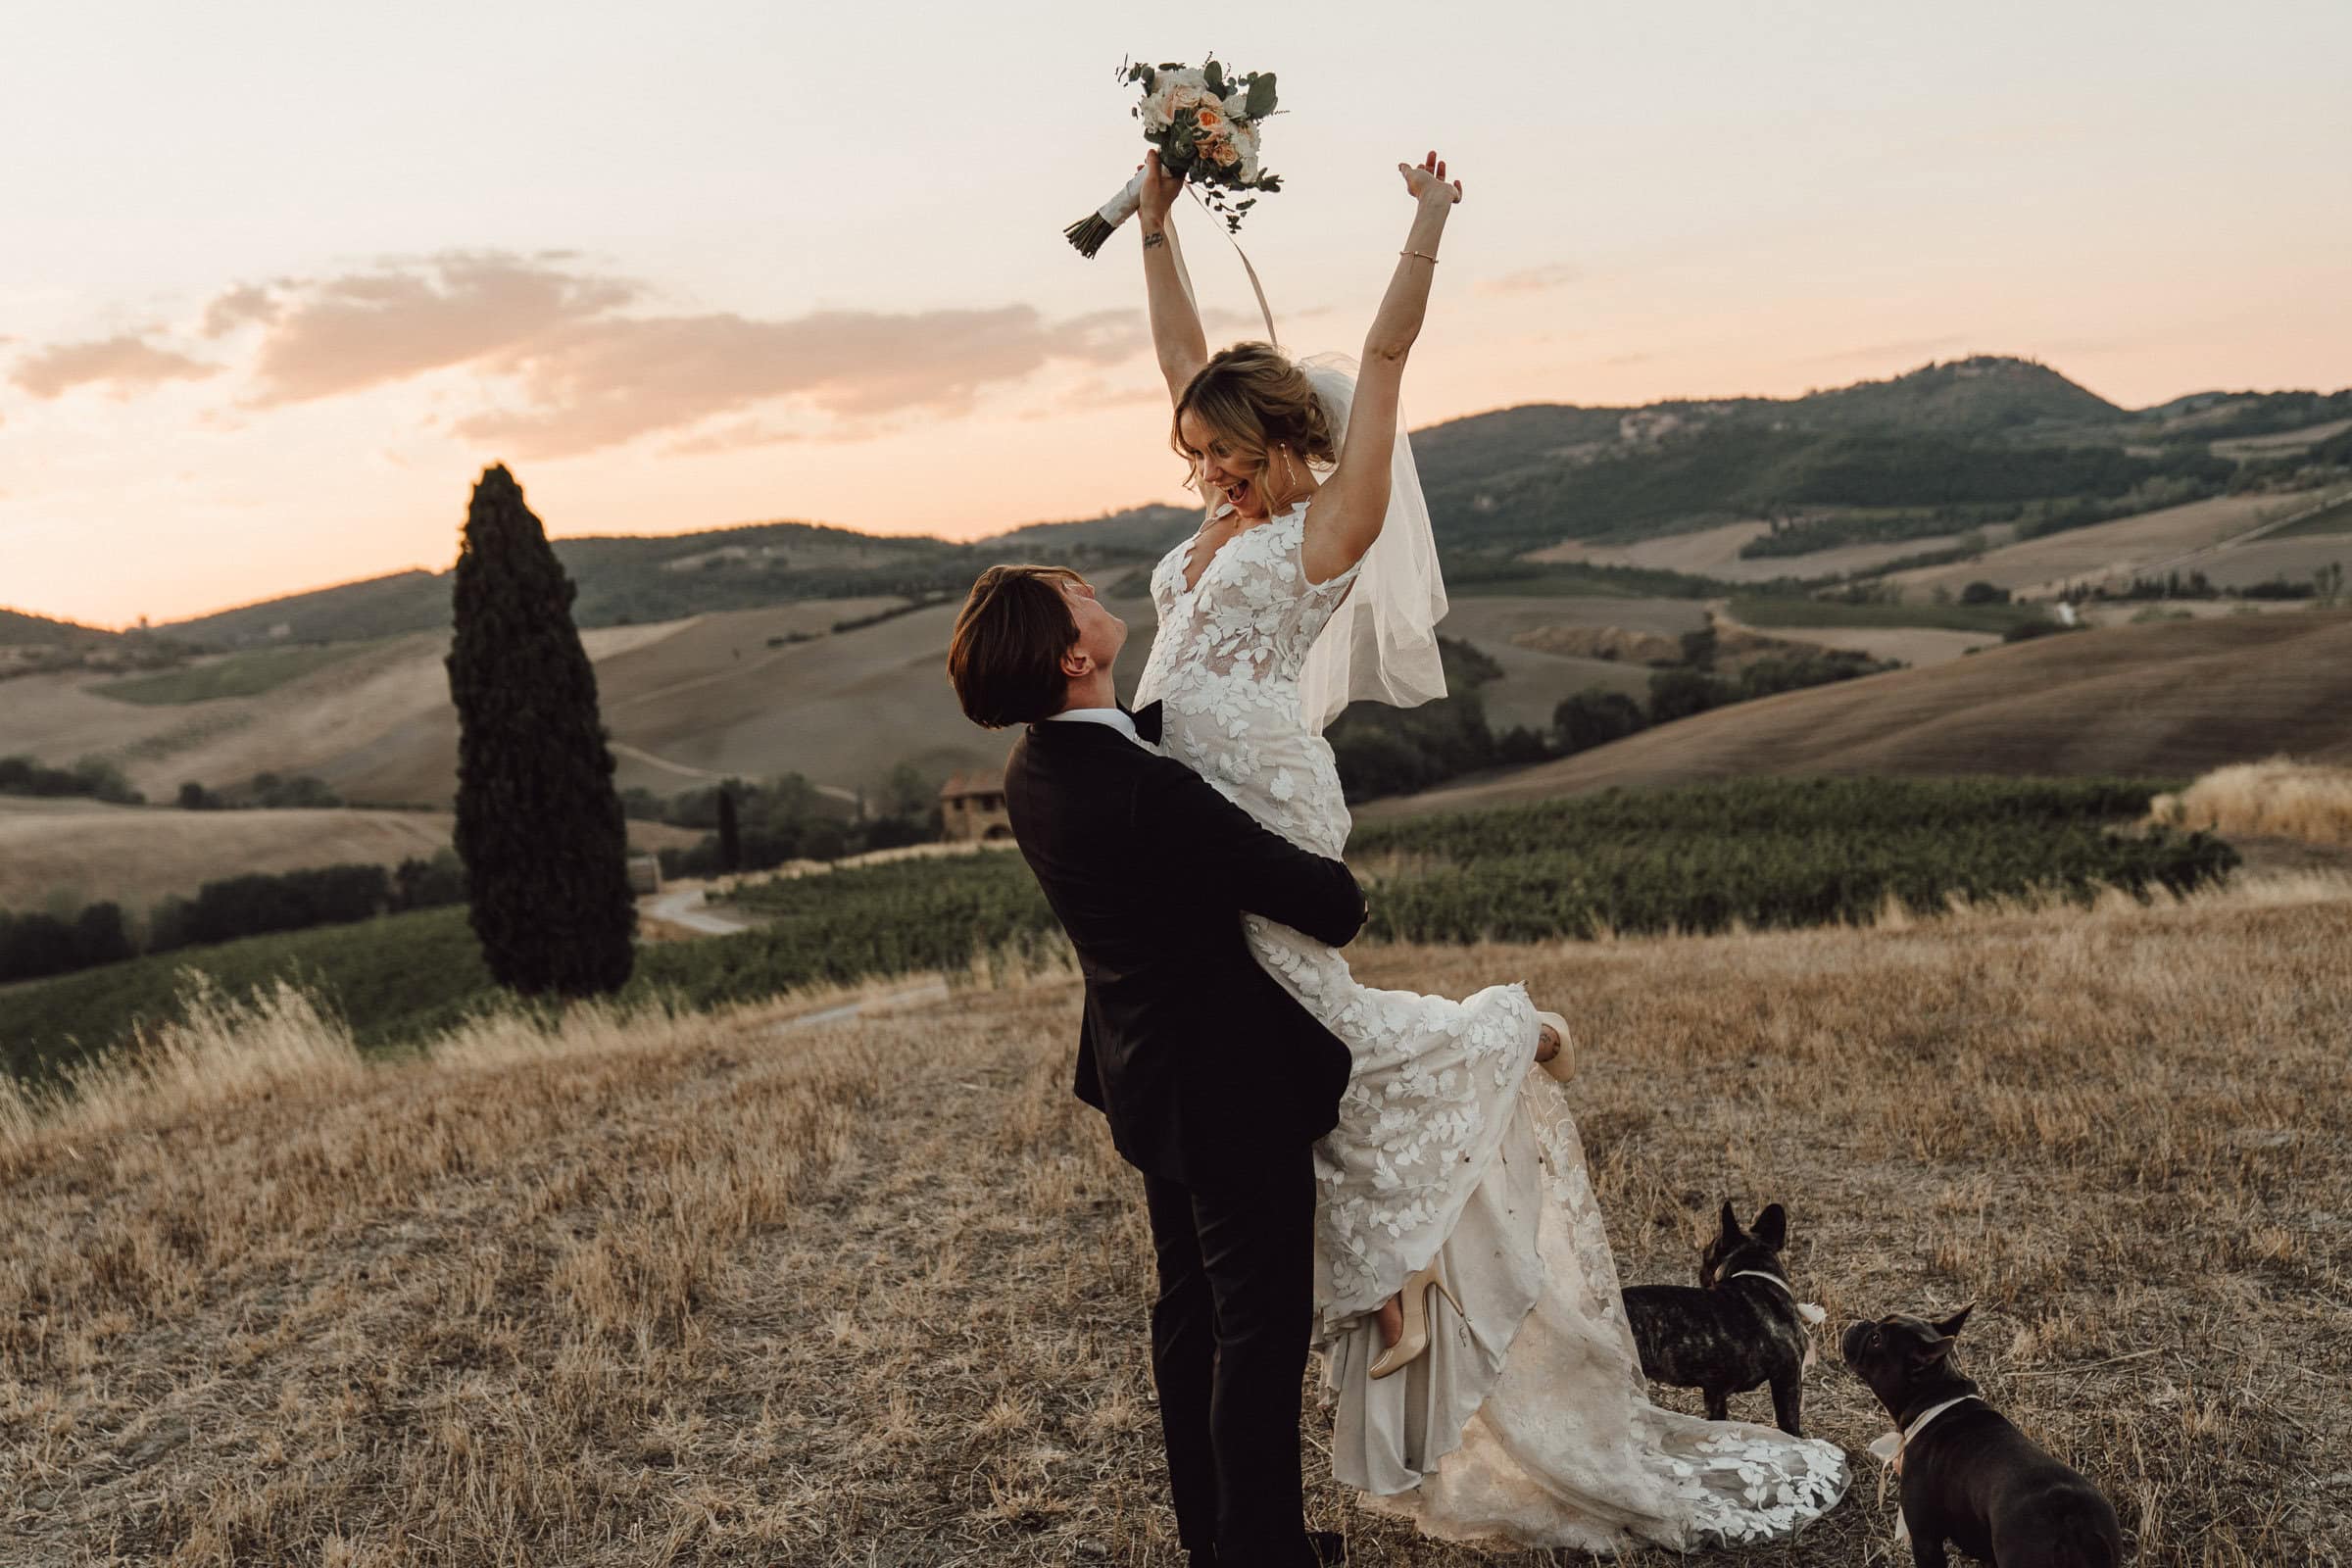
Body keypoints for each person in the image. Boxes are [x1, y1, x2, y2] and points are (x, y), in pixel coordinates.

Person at [1122, 148, 1850, 1548]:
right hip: (1186, 803)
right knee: (1262, 1050)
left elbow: (1386, 352)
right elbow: (1182, 364)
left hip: (1258, 803)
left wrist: (1428, 222)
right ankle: (1392, 1258)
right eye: (1194, 455)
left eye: (1226, 450)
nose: (1204, 469)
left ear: (1291, 446)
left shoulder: (1328, 527)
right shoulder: (1214, 523)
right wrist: (1157, 230)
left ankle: (1494, 1051)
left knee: (1298, 1027)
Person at [947, 564, 1362, 1567]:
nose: (1090, 588)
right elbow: (1329, 903)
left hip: (1147, 1076)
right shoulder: (1144, 789)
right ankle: (1263, 1554)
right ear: (1073, 656)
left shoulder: (1038, 768)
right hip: (1228, 1091)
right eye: (1072, 593)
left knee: (1192, 1313)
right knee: (1258, 1331)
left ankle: (1217, 1538)